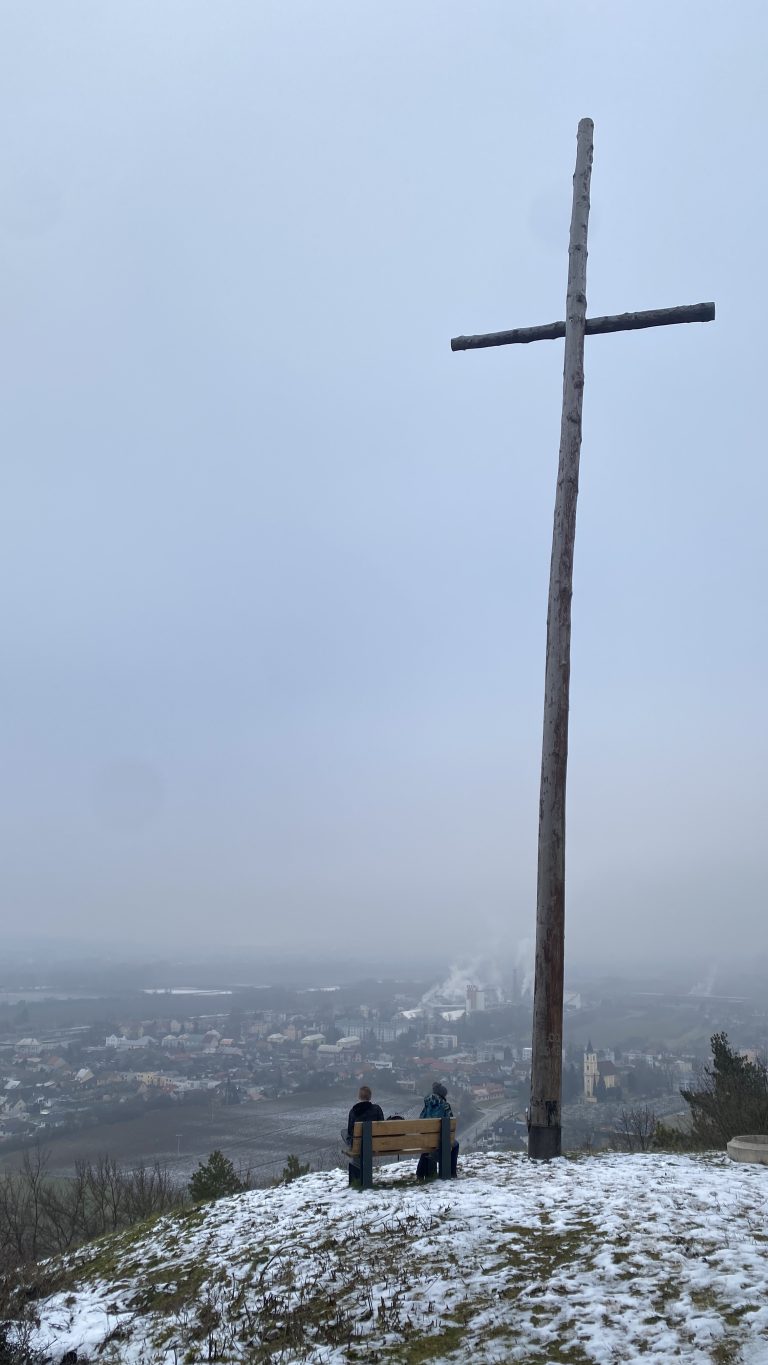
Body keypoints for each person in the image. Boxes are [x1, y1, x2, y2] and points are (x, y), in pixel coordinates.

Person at [416, 1081, 459, 1180]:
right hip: (440, 1141)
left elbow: (421, 1120)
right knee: (455, 1145)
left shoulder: (427, 1105)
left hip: (426, 1139)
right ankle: (452, 1172)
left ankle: (420, 1174)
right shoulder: (445, 1106)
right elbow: (450, 1124)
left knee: (428, 1147)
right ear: (443, 1095)